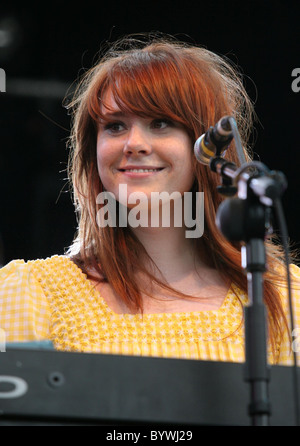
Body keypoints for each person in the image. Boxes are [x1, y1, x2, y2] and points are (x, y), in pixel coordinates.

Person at [0, 33, 299, 364]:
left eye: (160, 123)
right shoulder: (34, 295)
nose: (134, 143)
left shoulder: (285, 297)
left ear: (209, 147)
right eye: (114, 126)